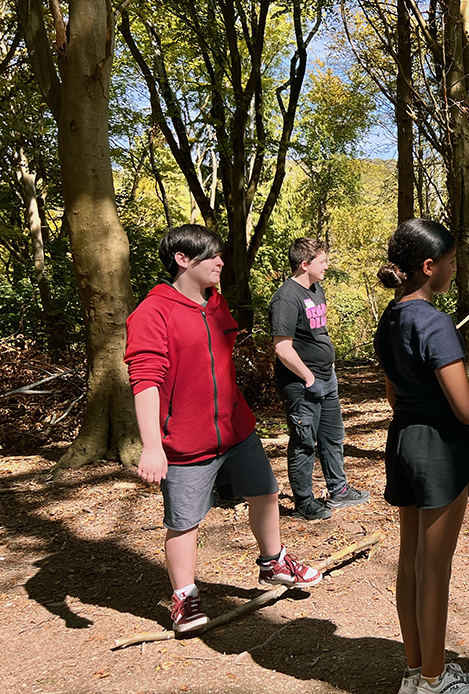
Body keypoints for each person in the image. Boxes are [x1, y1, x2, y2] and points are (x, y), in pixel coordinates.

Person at [126, 224, 322, 635]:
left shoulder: (216, 302)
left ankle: (274, 564)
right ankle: (183, 597)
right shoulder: (152, 311)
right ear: (182, 260)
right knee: (184, 520)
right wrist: (151, 446)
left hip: (236, 429)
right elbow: (145, 380)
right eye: (211, 255)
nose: (220, 261)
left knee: (266, 492)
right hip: (184, 440)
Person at [375, 219, 469, 694]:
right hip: (438, 450)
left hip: (403, 443)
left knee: (410, 564)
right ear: (429, 266)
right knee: (434, 568)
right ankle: (435, 681)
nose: (456, 270)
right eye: (452, 263)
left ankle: (416, 673)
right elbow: (467, 409)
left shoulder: (391, 317)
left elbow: (395, 398)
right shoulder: (434, 322)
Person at [270, 237, 370, 520]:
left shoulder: (315, 289)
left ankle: (338, 490)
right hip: (302, 385)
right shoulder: (286, 298)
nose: (327, 265)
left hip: (327, 378)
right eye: (322, 261)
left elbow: (318, 334)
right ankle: (304, 503)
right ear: (305, 264)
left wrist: (329, 367)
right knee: (303, 443)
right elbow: (282, 347)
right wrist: (309, 378)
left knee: (333, 437)